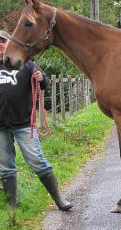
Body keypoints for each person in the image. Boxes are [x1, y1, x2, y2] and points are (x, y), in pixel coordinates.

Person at [0, 30, 72, 211]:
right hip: (0, 126)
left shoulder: (26, 63)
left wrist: (41, 78)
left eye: (3, 41)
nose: (0, 45)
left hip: (25, 124)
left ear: (9, 43)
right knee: (6, 167)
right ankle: (12, 205)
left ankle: (59, 199)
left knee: (38, 161)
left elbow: (44, 83)